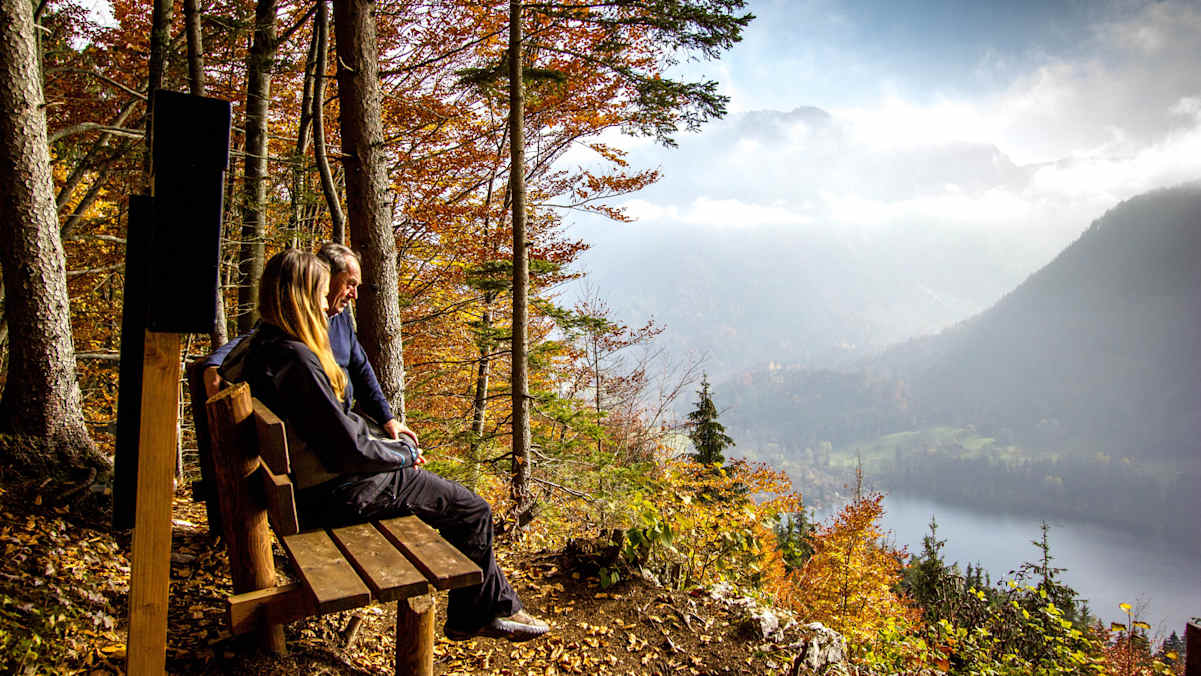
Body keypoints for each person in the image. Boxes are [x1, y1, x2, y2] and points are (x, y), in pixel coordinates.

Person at [239, 248, 548, 642]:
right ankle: (475, 616)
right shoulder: (296, 360)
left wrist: (384, 433)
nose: (326, 303)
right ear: (301, 297)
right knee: (472, 509)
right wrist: (401, 454)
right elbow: (346, 449)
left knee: (459, 504)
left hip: (314, 487)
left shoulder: (266, 347)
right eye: (320, 293)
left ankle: (498, 606)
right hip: (337, 495)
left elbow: (342, 420)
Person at [201, 243, 404, 441]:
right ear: (327, 276)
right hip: (324, 437)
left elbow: (361, 368)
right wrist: (214, 363)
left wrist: (387, 418)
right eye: (350, 284)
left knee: (404, 445)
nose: (354, 294)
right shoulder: (293, 324)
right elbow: (255, 338)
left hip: (342, 425)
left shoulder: (341, 319)